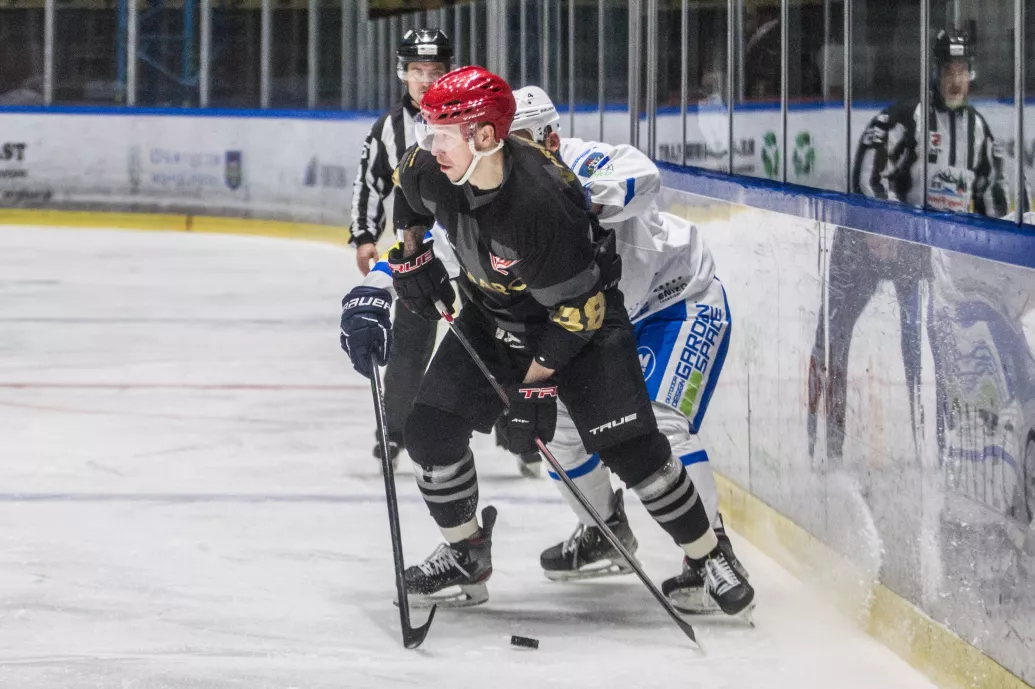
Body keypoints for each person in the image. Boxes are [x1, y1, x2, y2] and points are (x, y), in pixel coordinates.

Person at [338, 66, 754, 617]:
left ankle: (710, 554)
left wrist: (531, 386)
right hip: (515, 312)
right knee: (455, 431)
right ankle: (576, 535)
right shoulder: (444, 166)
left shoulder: (547, 196)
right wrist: (384, 280)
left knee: (643, 436)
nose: (433, 145)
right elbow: (420, 211)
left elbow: (585, 304)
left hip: (653, 302)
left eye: (528, 139)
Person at [502, 86, 750, 613]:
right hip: (597, 325)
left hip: (674, 301)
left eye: (519, 141)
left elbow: (643, 176)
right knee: (558, 432)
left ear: (550, 140)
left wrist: (572, 200)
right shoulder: (498, 193)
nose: (507, 155)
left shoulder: (585, 160)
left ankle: (712, 556)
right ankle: (604, 531)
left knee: (661, 425)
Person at [809, 28, 1011, 466]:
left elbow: (995, 198)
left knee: (929, 344)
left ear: (971, 74)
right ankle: (824, 450)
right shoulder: (908, 118)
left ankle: (933, 452)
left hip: (921, 255)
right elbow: (868, 174)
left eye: (962, 71)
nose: (955, 80)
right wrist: (887, 224)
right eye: (948, 70)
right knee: (832, 336)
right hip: (863, 245)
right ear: (935, 73)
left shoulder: (978, 131)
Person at [348, 28, 454, 465]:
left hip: (477, 253)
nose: (425, 80)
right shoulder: (389, 129)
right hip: (417, 256)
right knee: (410, 344)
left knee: (496, 337)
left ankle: (515, 431)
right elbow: (370, 183)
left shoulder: (470, 118)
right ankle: (394, 431)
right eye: (417, 70)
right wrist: (364, 236)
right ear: (403, 73)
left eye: (434, 71)